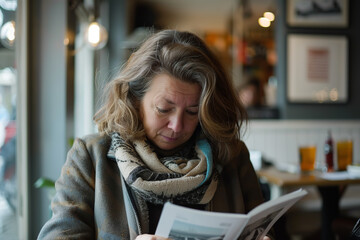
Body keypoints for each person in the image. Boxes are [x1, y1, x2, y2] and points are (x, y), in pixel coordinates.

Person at [38, 30, 273, 240]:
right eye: (164, 109)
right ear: (134, 100)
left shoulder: (231, 155)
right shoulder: (91, 157)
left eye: (193, 112)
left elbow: (261, 229)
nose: (177, 125)